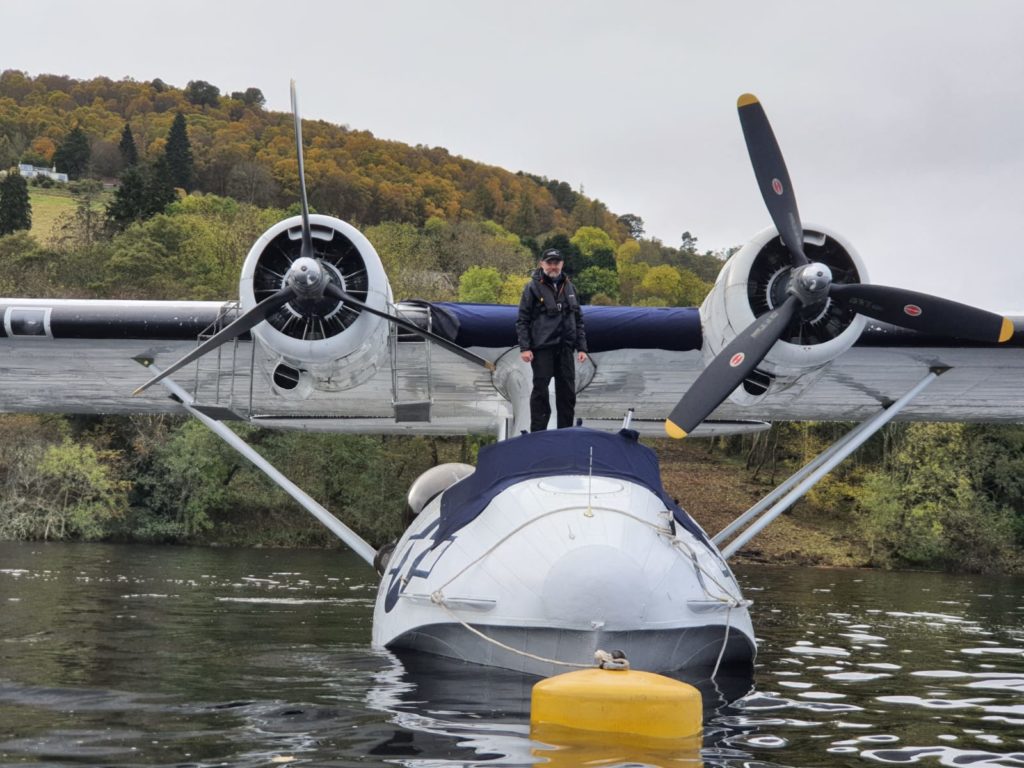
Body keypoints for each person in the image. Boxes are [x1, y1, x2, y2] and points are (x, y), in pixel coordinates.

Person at [516, 248, 588, 431]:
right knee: (540, 390)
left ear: (562, 264)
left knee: (567, 393)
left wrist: (582, 347)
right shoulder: (532, 287)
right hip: (543, 348)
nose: (553, 266)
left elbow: (578, 319)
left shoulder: (570, 287)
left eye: (556, 262)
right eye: (549, 262)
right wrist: (525, 347)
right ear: (542, 264)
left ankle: (565, 432)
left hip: (565, 348)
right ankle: (538, 433)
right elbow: (523, 319)